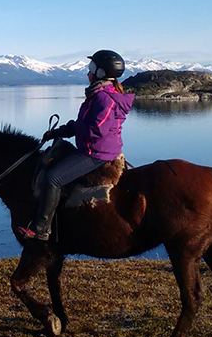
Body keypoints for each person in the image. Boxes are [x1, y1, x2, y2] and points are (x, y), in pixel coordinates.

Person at [17, 49, 134, 241]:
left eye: (91, 68)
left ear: (101, 73)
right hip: (95, 148)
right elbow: (85, 124)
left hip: (95, 153)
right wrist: (59, 132)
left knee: (53, 178)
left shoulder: (104, 98)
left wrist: (70, 131)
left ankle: (41, 229)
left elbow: (97, 130)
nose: (88, 72)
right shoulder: (101, 94)